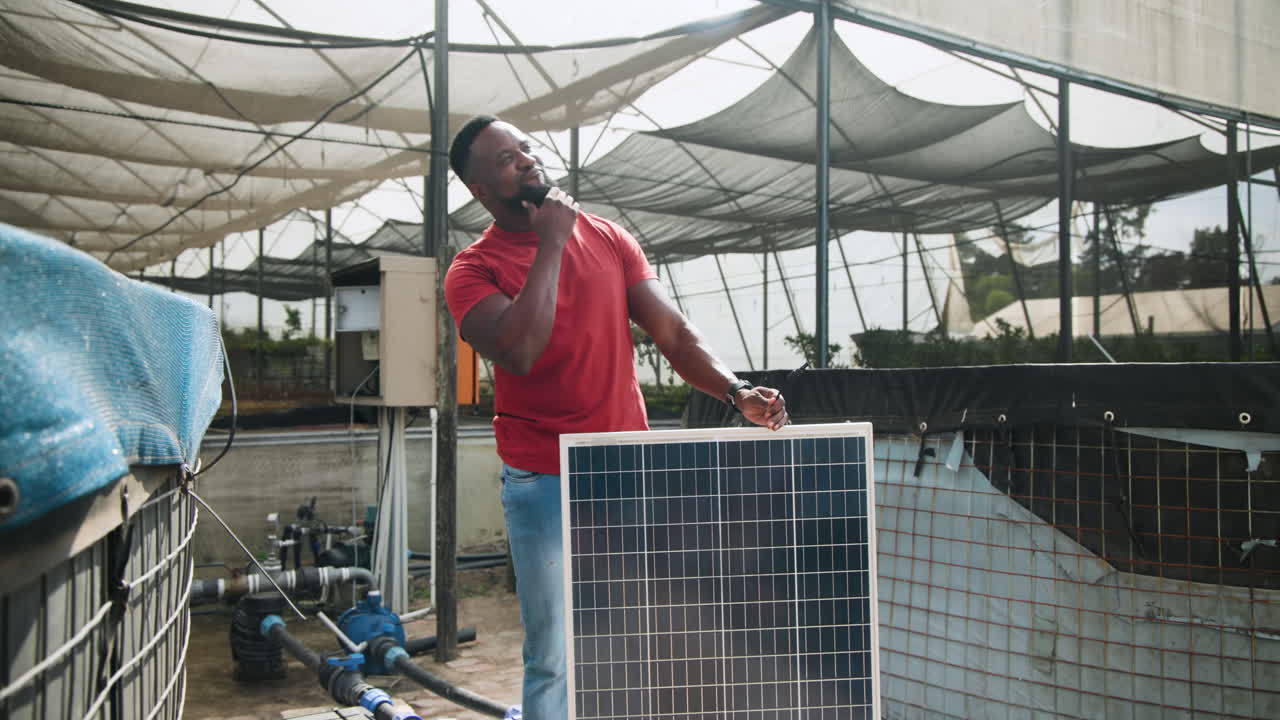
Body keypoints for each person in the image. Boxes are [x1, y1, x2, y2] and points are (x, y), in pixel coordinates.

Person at [443, 115, 788, 720]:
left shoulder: (607, 237)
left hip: (628, 473)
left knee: (637, 636)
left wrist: (735, 391)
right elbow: (520, 350)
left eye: (526, 147)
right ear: (479, 190)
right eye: (504, 159)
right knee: (555, 651)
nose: (525, 159)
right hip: (544, 480)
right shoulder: (472, 270)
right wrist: (551, 239)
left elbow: (674, 335)